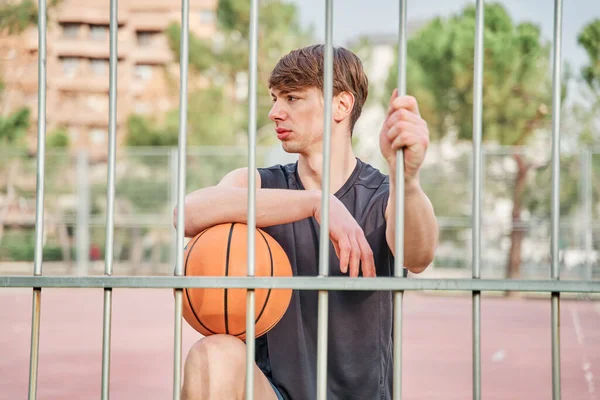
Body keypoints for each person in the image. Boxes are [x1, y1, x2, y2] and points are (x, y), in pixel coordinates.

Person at [175, 44, 438, 400]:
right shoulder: (261, 185)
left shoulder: (384, 195)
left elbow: (418, 256)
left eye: (292, 98)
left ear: (341, 106)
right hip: (275, 393)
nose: (274, 112)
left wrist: (406, 178)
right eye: (274, 98)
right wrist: (316, 203)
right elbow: (186, 213)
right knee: (212, 356)